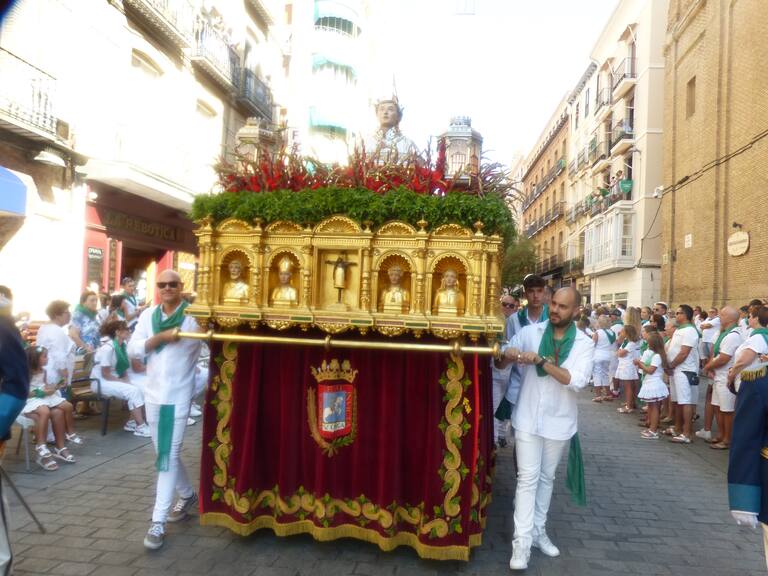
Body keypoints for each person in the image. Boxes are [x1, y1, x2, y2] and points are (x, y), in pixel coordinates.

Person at [500, 287, 594, 571]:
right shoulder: (531, 332)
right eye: (553, 303)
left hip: (559, 421)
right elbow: (501, 360)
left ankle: (538, 531)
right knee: (527, 478)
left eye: (563, 307)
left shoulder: (584, 343)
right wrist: (508, 355)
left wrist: (540, 361)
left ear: (575, 311)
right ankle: (521, 543)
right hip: (527, 417)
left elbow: (575, 380)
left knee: (546, 477)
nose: (555, 310)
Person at [128, 269, 202, 550]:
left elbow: (217, 340)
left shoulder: (194, 316)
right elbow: (134, 349)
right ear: (157, 287)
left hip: (178, 396)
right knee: (164, 453)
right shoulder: (148, 316)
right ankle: (187, 494)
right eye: (162, 284)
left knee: (166, 457)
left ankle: (157, 521)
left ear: (181, 286)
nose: (167, 288)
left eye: (173, 284)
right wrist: (160, 338)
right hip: (153, 395)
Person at [22, 346, 81, 470]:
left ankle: (61, 446)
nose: (48, 358)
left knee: (60, 411)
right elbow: (22, 392)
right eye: (45, 356)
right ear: (34, 359)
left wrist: (55, 387)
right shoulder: (24, 373)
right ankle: (41, 447)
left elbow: (45, 386)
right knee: (44, 411)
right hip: (28, 401)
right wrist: (41, 393)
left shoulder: (43, 371)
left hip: (42, 400)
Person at [94, 319, 150, 437]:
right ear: (117, 332)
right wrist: (122, 381)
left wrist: (127, 380)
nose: (129, 331)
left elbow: (123, 368)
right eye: (126, 329)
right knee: (133, 391)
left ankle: (131, 422)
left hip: (112, 379)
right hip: (101, 382)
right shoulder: (108, 348)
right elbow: (105, 374)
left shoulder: (122, 346)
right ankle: (140, 427)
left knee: (140, 387)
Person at [700, 306, 742, 449]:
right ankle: (722, 434)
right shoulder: (724, 333)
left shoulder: (733, 335)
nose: (720, 317)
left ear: (730, 318)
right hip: (719, 376)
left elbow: (724, 358)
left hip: (726, 378)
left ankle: (727, 439)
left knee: (727, 410)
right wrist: (711, 367)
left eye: (722, 315)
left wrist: (708, 366)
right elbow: (716, 352)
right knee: (717, 407)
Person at [665, 304, 700, 444]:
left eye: (678, 313)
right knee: (678, 401)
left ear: (685, 315)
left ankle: (687, 433)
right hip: (676, 370)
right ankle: (678, 428)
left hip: (684, 370)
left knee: (685, 401)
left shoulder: (690, 330)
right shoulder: (680, 329)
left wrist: (671, 364)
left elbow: (684, 353)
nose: (676, 315)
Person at [491, 294, 516, 447]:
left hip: (512, 370)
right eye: (505, 304)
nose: (507, 307)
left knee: (507, 404)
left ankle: (501, 434)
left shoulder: (516, 322)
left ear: (515, 307)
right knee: (495, 405)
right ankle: (494, 439)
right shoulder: (494, 319)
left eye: (511, 305)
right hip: (496, 368)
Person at [635, 331, 670, 439]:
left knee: (654, 408)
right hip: (650, 382)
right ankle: (651, 427)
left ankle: (653, 430)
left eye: (649, 342)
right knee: (651, 407)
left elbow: (650, 370)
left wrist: (640, 364)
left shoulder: (657, 356)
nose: (647, 344)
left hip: (654, 383)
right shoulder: (655, 355)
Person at [363, 96, 418, 164]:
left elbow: (419, 166)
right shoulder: (365, 142)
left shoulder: (408, 143)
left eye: (390, 109)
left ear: (398, 116)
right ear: (377, 115)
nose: (385, 112)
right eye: (382, 109)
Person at [36, 300, 76, 392]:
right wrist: (65, 374)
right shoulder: (56, 331)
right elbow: (59, 355)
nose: (69, 315)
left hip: (46, 374)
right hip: (56, 377)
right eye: (67, 312)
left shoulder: (45, 328)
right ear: (57, 315)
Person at [615, 323, 641, 413]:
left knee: (628, 386)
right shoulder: (626, 341)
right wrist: (619, 352)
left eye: (622, 331)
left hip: (628, 366)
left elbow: (621, 353)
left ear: (627, 333)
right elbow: (619, 351)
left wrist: (619, 352)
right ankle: (630, 403)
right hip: (624, 365)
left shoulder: (631, 343)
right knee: (628, 386)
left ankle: (628, 406)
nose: (620, 332)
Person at [591, 315, 615, 403]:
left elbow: (592, 344)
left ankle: (598, 396)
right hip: (608, 355)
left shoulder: (598, 332)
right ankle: (608, 394)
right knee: (605, 374)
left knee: (597, 374)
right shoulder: (612, 332)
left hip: (598, 354)